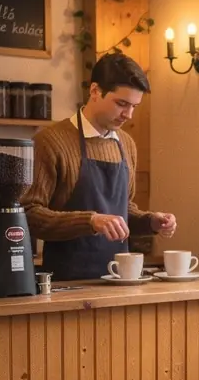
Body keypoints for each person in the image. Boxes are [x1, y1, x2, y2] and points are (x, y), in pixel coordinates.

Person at [23, 54, 177, 281]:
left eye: (134, 106)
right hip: (67, 284)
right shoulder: (51, 141)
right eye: (121, 104)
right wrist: (90, 221)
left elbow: (123, 208)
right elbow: (28, 214)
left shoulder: (126, 144)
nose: (128, 115)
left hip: (120, 280)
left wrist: (150, 221)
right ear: (95, 91)